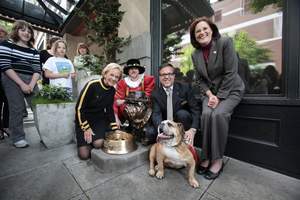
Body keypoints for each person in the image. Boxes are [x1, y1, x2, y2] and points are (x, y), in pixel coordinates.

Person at [190, 17, 245, 179]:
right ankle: (206, 156)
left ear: (212, 30)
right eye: (197, 31)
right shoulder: (195, 54)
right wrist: (209, 95)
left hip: (231, 90)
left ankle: (217, 159)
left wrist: (219, 97)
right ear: (194, 37)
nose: (202, 33)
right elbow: (199, 79)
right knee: (206, 115)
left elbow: (231, 73)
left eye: (204, 28)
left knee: (218, 114)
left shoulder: (225, 42)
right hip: (211, 93)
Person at [0, 20, 41, 148]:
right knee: (16, 108)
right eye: (23, 30)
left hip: (31, 78)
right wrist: (22, 84)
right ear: (16, 31)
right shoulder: (6, 44)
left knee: (39, 107)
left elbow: (37, 69)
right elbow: (5, 65)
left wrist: (31, 84)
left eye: (29, 31)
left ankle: (44, 133)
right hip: (11, 77)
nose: (26, 33)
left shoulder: (34, 51)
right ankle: (18, 137)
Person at [75, 63, 122, 160]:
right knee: (84, 155)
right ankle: (86, 139)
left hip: (98, 120)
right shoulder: (92, 85)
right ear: (105, 74)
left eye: (116, 77)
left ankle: (97, 137)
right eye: (111, 75)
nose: (113, 79)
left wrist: (115, 129)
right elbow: (79, 108)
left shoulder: (112, 90)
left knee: (98, 144)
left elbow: (109, 109)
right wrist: (86, 128)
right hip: (84, 119)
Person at [151, 63, 200, 145]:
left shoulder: (185, 88)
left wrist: (193, 129)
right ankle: (164, 142)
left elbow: (195, 109)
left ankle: (185, 141)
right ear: (159, 77)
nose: (166, 77)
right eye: (163, 74)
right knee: (150, 132)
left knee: (182, 114)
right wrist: (161, 131)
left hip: (182, 123)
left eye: (169, 74)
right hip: (166, 123)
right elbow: (156, 114)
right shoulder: (155, 94)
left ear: (174, 76)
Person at [113, 58, 155, 143]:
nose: (133, 71)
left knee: (140, 109)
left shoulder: (147, 79)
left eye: (135, 68)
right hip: (128, 110)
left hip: (144, 108)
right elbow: (117, 100)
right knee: (129, 109)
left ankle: (140, 131)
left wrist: (126, 100)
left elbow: (147, 96)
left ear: (139, 70)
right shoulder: (122, 83)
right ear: (128, 71)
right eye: (131, 69)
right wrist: (116, 117)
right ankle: (133, 129)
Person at [0, 26, 10, 139]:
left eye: (2, 33)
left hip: (8, 79)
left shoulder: (8, 45)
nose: (1, 35)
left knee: (8, 104)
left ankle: (6, 126)